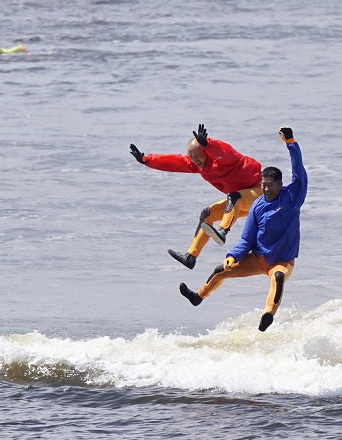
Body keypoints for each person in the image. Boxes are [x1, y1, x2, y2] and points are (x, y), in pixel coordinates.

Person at [179, 127, 307, 332]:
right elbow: (247, 239)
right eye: (264, 185)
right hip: (257, 258)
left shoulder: (293, 197)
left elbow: (298, 170)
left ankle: (268, 313)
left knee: (278, 278)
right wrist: (233, 256)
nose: (266, 189)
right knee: (222, 270)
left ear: (280, 184)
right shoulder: (258, 205)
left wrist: (290, 143)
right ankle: (198, 296)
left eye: (271, 186)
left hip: (282, 261)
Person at [130, 124, 263, 269]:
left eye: (197, 155)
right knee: (207, 215)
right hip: (240, 203)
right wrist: (146, 160)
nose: (194, 159)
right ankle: (190, 256)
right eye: (191, 156)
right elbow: (173, 162)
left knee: (234, 197)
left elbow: (223, 151)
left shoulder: (225, 159)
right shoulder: (196, 164)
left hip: (261, 194)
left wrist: (208, 144)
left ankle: (223, 231)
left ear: (206, 152)